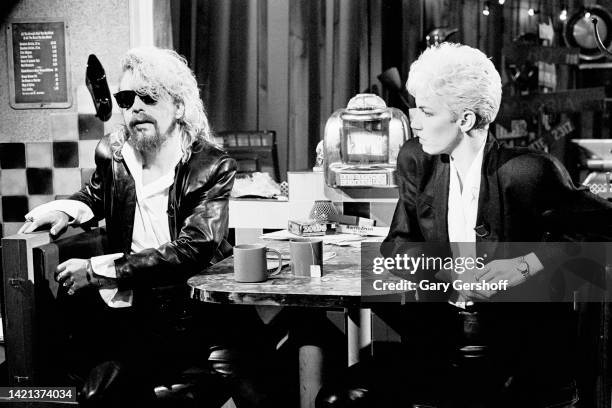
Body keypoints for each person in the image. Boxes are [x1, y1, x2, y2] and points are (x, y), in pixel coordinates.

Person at [316, 42, 612, 408]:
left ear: (466, 120)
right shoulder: (415, 159)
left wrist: (524, 266)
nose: (415, 120)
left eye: (426, 110)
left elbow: (600, 236)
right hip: (439, 342)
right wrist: (449, 272)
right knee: (336, 399)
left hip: (520, 351)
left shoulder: (529, 172)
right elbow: (396, 246)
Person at [19, 46, 282, 407]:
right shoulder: (113, 154)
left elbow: (195, 248)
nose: (136, 107)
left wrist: (98, 272)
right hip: (141, 315)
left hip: (208, 321)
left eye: (149, 97)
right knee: (97, 394)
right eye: (127, 99)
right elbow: (97, 193)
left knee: (261, 394)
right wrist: (68, 209)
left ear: (178, 106)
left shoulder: (211, 165)